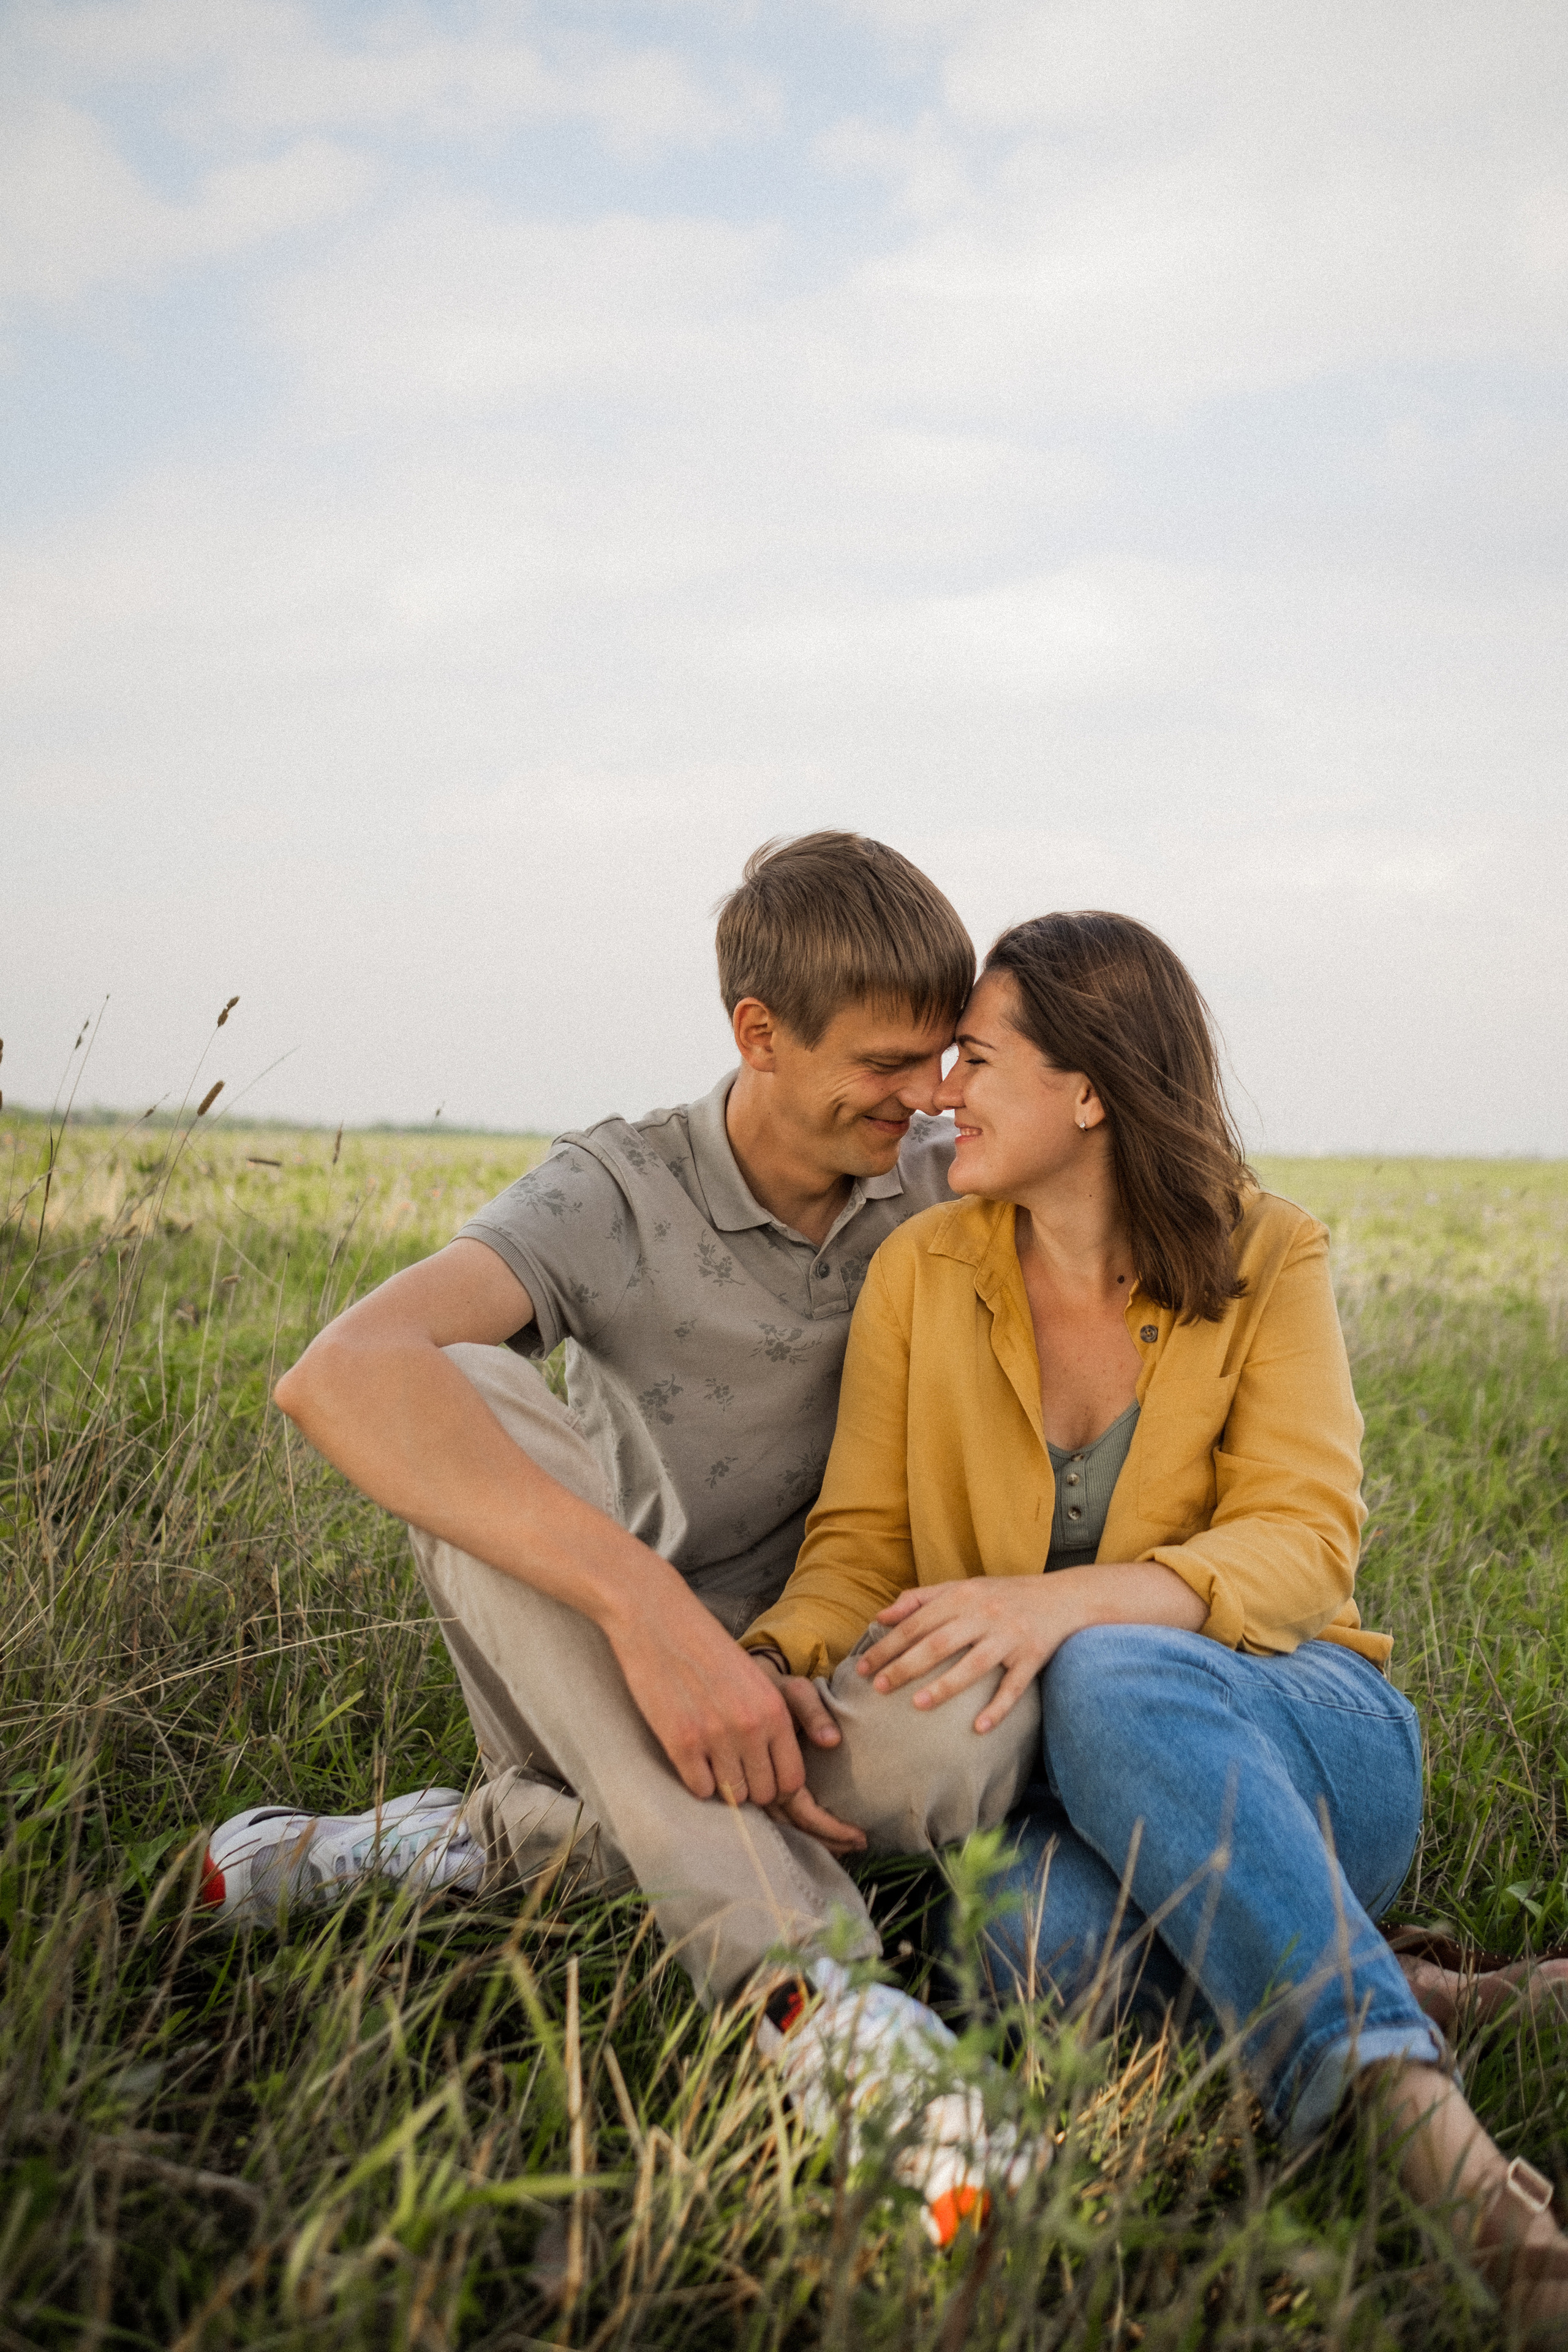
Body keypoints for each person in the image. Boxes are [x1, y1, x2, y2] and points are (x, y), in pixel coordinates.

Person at [200, 834, 1043, 2242]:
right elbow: (336, 1374)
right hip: (602, 1669)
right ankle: (818, 2007)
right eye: (885, 1063)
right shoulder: (616, 1186)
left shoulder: (945, 1180)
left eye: (939, 1058)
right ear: (757, 1035)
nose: (924, 1096)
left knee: (981, 1741)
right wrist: (651, 1620)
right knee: (455, 1380)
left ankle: (487, 1842)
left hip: (822, 1686)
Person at [737, 910, 1568, 2328]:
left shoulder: (1268, 1252)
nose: (940, 1092)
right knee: (1027, 1950)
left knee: (1111, 1669)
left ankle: (1443, 2158)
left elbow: (1302, 1541)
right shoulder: (920, 1272)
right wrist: (765, 1668)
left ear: (1089, 1089)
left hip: (1292, 1734)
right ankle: (1409, 1987)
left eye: (975, 1058)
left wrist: (1060, 1607)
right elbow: (858, 1547)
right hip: (1062, 1808)